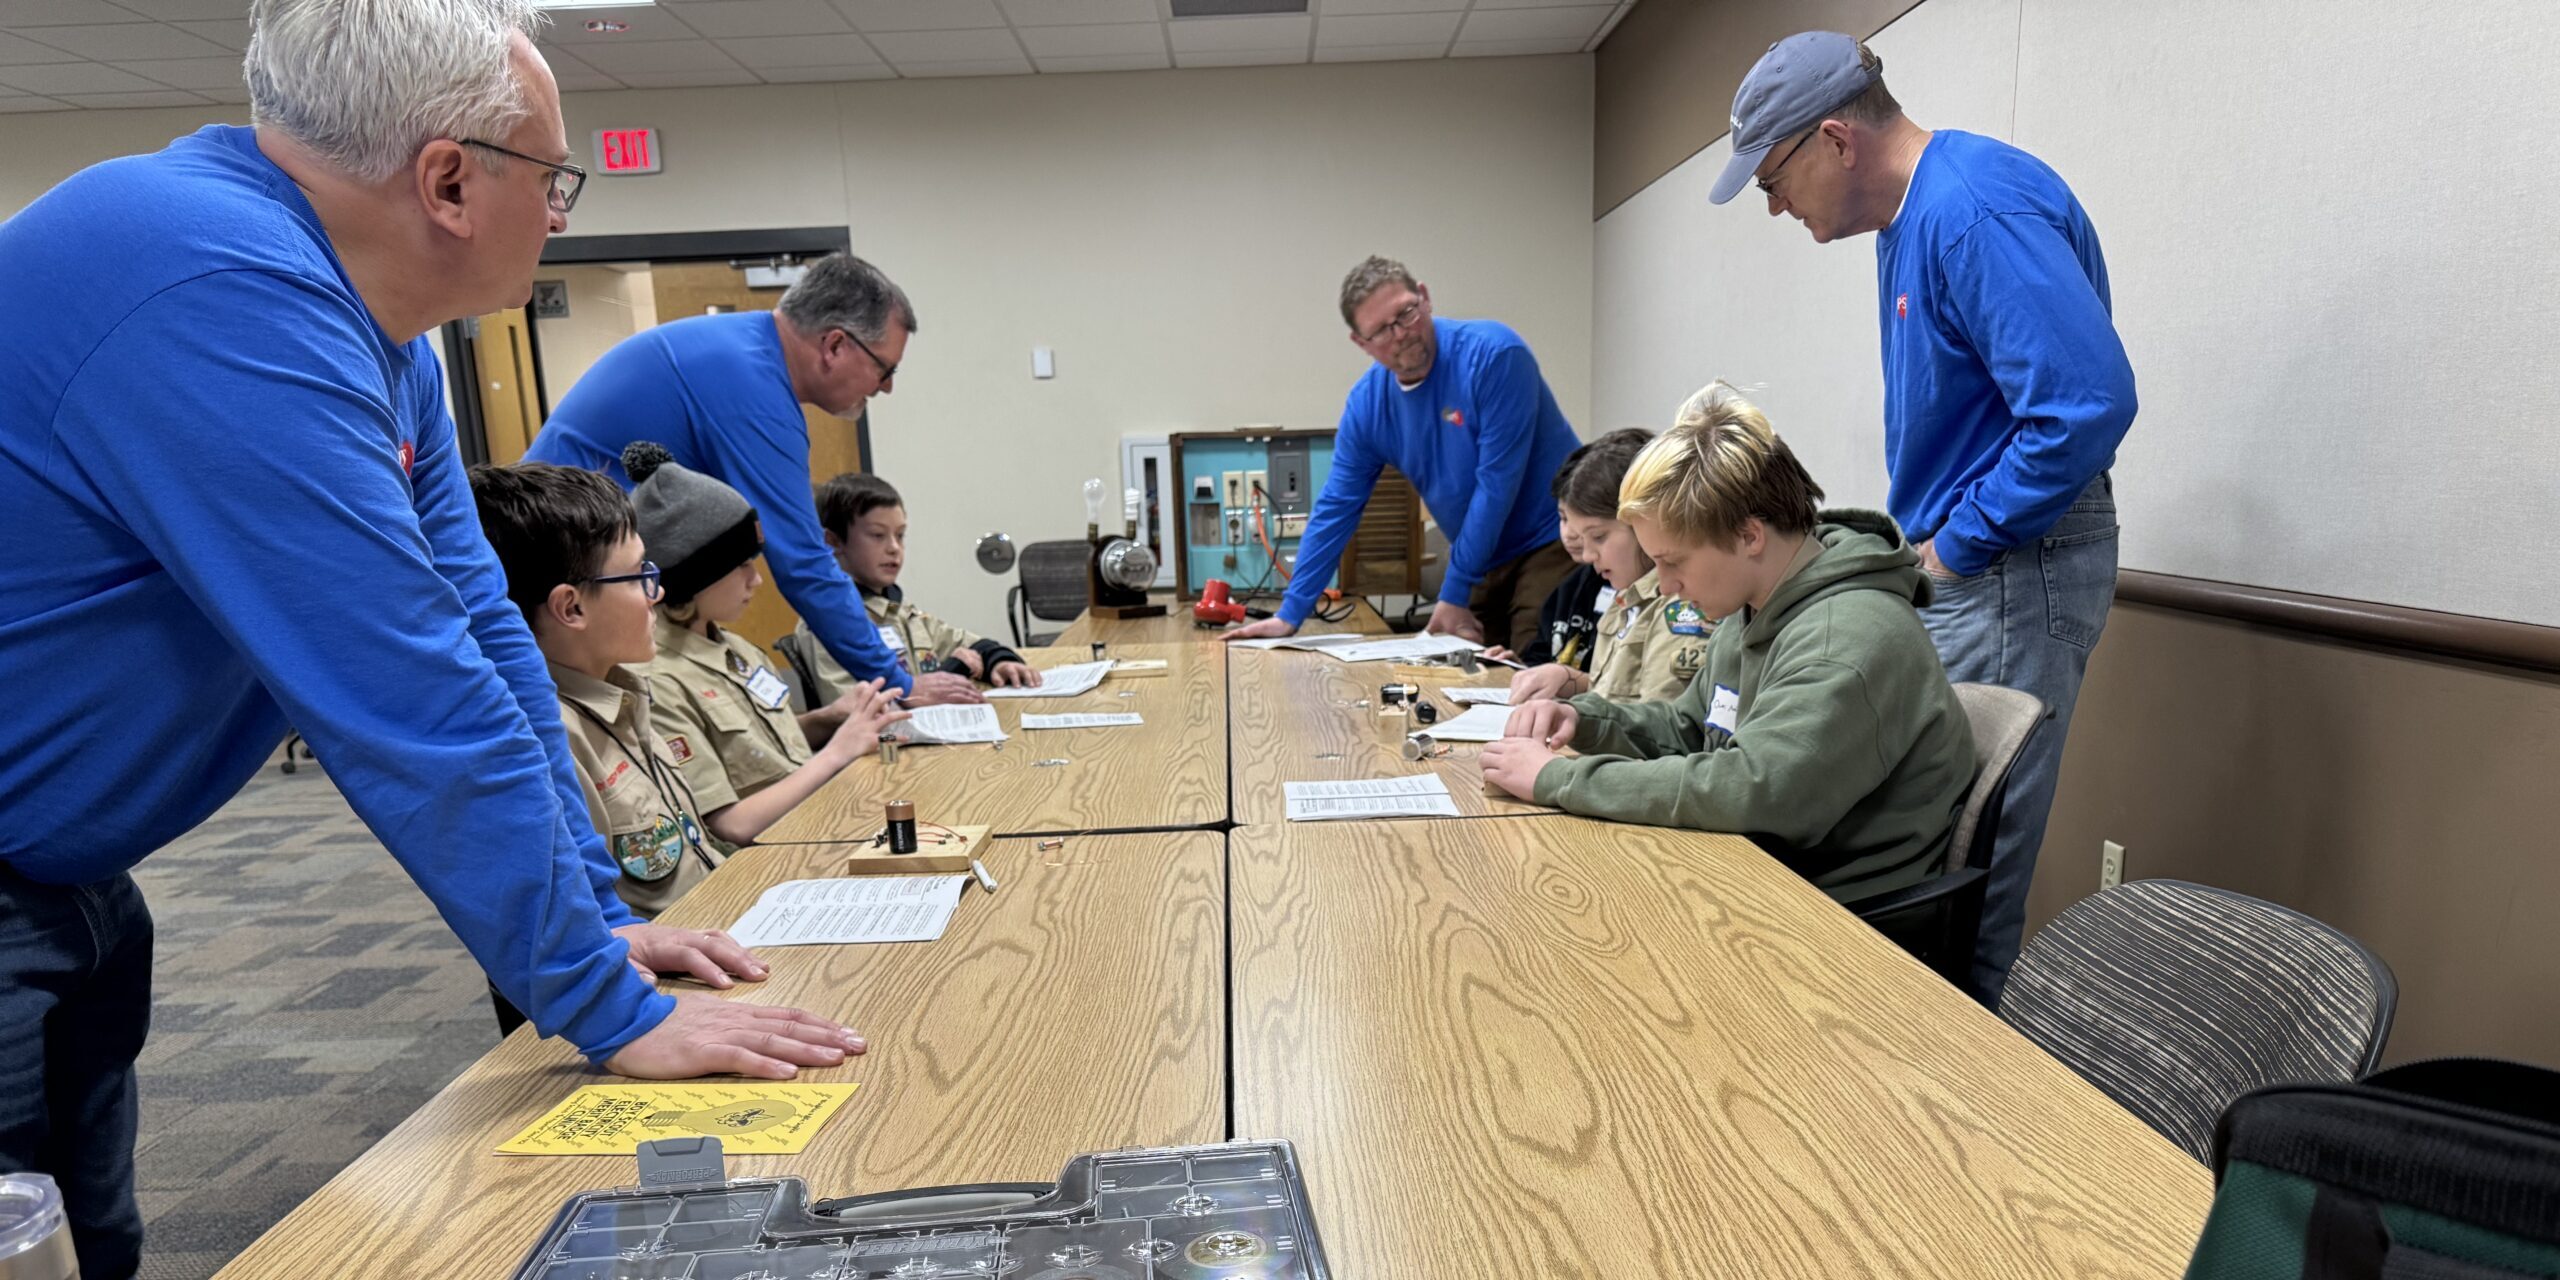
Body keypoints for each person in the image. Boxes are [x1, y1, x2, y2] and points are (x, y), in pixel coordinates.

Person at [0, 4, 858, 1274]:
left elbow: (484, 630)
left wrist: (589, 910)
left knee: (89, 1239)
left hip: (67, 877)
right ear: (450, 180)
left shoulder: (373, 327)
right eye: (553, 176)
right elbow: (408, 700)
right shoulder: (219, 283)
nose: (562, 210)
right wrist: (603, 1004)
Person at [1712, 32, 2134, 1002]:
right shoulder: (1913, 218)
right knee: (1912, 839)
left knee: (1964, 869)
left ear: (1833, 140)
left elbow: (2083, 404)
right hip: (1966, 563)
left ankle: (1967, 1118)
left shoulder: (1969, 210)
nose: (1776, 206)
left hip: (2009, 569)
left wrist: (1961, 539)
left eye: (1775, 179)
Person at [1483, 383, 1974, 907]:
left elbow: (1752, 790)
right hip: (1754, 870)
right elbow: (1690, 730)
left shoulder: (1845, 640)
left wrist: (1562, 778)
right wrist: (1586, 721)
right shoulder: (1755, 608)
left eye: (1673, 562)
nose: (1665, 585)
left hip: (1833, 917)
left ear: (1748, 535)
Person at [524, 254, 982, 709]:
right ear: (836, 345)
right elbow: (803, 560)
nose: (886, 388)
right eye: (886, 369)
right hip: (555, 581)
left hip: (573, 573)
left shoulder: (744, 350)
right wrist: (897, 680)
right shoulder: (754, 389)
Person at [1225, 256, 1582, 651]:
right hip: (1482, 556)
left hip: (1551, 540)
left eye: (1406, 314)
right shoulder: (1368, 406)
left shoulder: (1494, 356)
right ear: (1360, 343)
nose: (1399, 335)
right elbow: (1337, 506)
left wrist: (1455, 592)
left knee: (1535, 668)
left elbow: (1496, 485)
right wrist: (1289, 614)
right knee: (1477, 678)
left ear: (1425, 298)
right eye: (1380, 331)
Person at [624, 445, 891, 846]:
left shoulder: (732, 648)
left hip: (814, 825)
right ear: (698, 577)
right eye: (742, 566)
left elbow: (754, 752)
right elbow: (731, 825)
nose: (757, 580)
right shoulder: (660, 677)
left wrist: (828, 719)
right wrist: (839, 751)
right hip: (763, 860)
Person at [1507, 428, 1715, 706]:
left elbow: (1659, 728)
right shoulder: (1623, 600)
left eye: (1599, 536)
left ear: (1643, 524)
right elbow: (1609, 698)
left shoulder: (1681, 605)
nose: (1589, 555)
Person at [796, 471, 1040, 702]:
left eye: (900, 535)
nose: (894, 548)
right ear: (834, 541)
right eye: (878, 535)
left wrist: (999, 662)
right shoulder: (826, 624)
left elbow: (971, 645)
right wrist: (953, 670)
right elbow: (855, 712)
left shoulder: (900, 613)